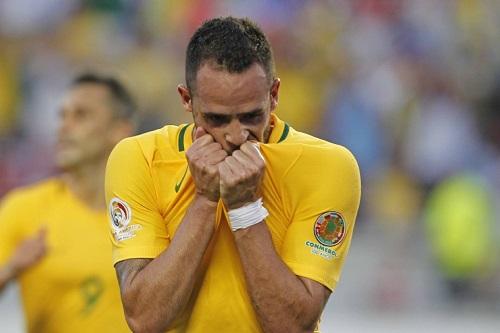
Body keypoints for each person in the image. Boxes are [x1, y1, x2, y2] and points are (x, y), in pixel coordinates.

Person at [106, 17, 361, 333]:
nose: (236, 135)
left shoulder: (328, 166)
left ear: (274, 94)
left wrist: (245, 208)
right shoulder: (140, 157)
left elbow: (291, 326)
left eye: (251, 115)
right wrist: (204, 199)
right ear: (187, 99)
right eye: (217, 118)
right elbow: (144, 319)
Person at [0, 73, 136, 332]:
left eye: (81, 115)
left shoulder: (149, 211)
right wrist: (9, 269)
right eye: (62, 116)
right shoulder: (24, 208)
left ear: (120, 130)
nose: (63, 127)